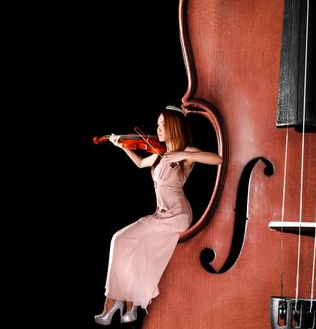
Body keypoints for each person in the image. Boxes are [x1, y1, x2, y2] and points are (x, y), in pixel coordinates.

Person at [94, 105, 223, 325]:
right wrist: (122, 146)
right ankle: (128, 303)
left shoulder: (186, 153)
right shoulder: (158, 155)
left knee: (122, 240)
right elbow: (140, 163)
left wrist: (182, 153)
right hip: (160, 215)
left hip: (177, 215)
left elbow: (217, 159)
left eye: (163, 124)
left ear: (175, 125)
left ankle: (115, 302)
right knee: (129, 244)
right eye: (158, 125)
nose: (158, 129)